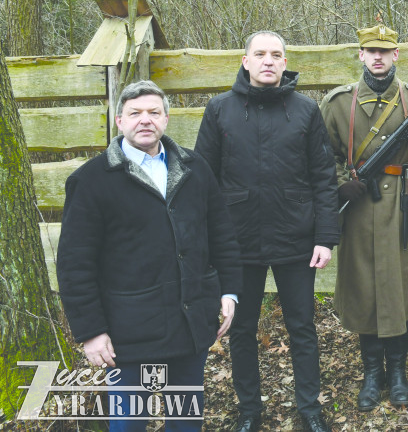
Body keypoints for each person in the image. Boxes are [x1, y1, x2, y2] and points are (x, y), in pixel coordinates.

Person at [57, 80, 242, 432]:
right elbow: (74, 262)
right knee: (128, 424)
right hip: (128, 332)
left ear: (166, 119)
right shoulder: (91, 180)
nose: (145, 120)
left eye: (154, 112)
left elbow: (222, 236)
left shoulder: (194, 168)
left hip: (190, 324)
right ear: (119, 121)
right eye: (135, 113)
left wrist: (229, 290)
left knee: (186, 421)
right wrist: (91, 331)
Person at [195, 31, 339, 432]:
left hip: (296, 236)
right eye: (260, 54)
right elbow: (202, 180)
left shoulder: (305, 110)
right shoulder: (220, 109)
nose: (268, 61)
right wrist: (208, 242)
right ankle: (249, 410)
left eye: (276, 54)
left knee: (302, 326)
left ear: (284, 61)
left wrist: (325, 237)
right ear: (245, 61)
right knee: (241, 328)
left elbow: (324, 177)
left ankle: (309, 409)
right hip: (237, 241)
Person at [319, 24, 408, 412]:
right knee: (365, 290)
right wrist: (341, 184)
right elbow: (324, 160)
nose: (377, 57)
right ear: (360, 55)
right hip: (358, 209)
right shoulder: (339, 103)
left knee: (398, 289)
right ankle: (373, 374)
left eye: (384, 51)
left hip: (402, 207)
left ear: (396, 55)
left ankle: (399, 373)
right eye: (370, 50)